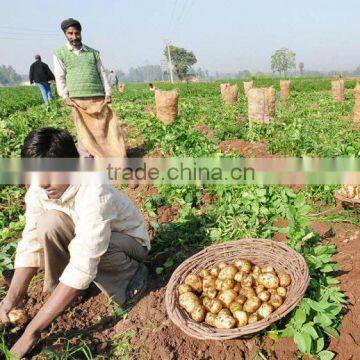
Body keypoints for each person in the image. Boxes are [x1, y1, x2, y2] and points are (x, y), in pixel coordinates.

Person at [0, 128, 149, 358]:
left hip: (128, 243)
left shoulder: (94, 189)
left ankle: (130, 283)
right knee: (47, 224)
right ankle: (71, 291)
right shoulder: (39, 190)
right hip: (84, 238)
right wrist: (11, 299)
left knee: (99, 250)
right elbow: (31, 242)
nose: (44, 184)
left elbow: (86, 256)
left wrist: (32, 331)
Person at [53, 18, 126, 158]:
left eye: (77, 33)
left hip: (97, 97)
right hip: (77, 99)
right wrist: (65, 96)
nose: (74, 37)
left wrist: (108, 92)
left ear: (81, 33)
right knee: (83, 132)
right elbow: (60, 76)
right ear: (65, 34)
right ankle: (87, 160)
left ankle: (108, 155)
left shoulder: (93, 53)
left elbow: (102, 73)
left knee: (103, 128)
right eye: (70, 33)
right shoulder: (60, 54)